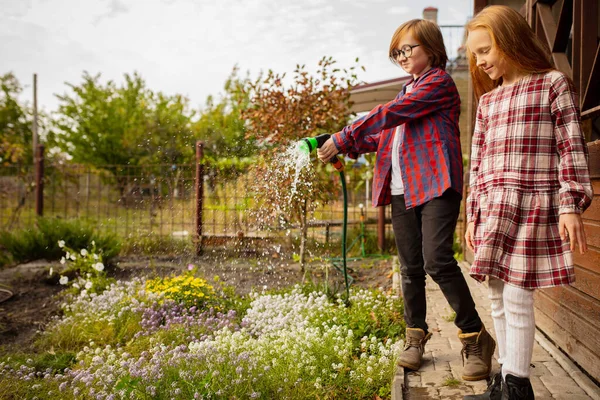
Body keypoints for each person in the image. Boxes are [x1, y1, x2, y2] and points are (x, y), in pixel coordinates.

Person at [317, 18, 495, 381]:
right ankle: (414, 337)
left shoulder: (438, 84)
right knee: (410, 269)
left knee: (438, 261)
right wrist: (340, 143)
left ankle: (475, 336)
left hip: (435, 185)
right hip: (402, 191)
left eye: (406, 48)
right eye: (395, 51)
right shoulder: (404, 93)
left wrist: (345, 134)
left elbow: (390, 115)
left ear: (431, 47)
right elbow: (381, 136)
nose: (400, 56)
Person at [463, 5, 593, 400]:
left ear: (511, 40)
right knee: (497, 294)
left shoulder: (553, 84)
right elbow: (478, 162)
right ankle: (504, 378)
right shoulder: (488, 103)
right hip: (495, 208)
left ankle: (518, 387)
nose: (480, 61)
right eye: (475, 54)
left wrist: (569, 204)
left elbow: (572, 146)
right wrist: (473, 213)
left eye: (485, 50)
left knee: (519, 294)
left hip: (534, 205)